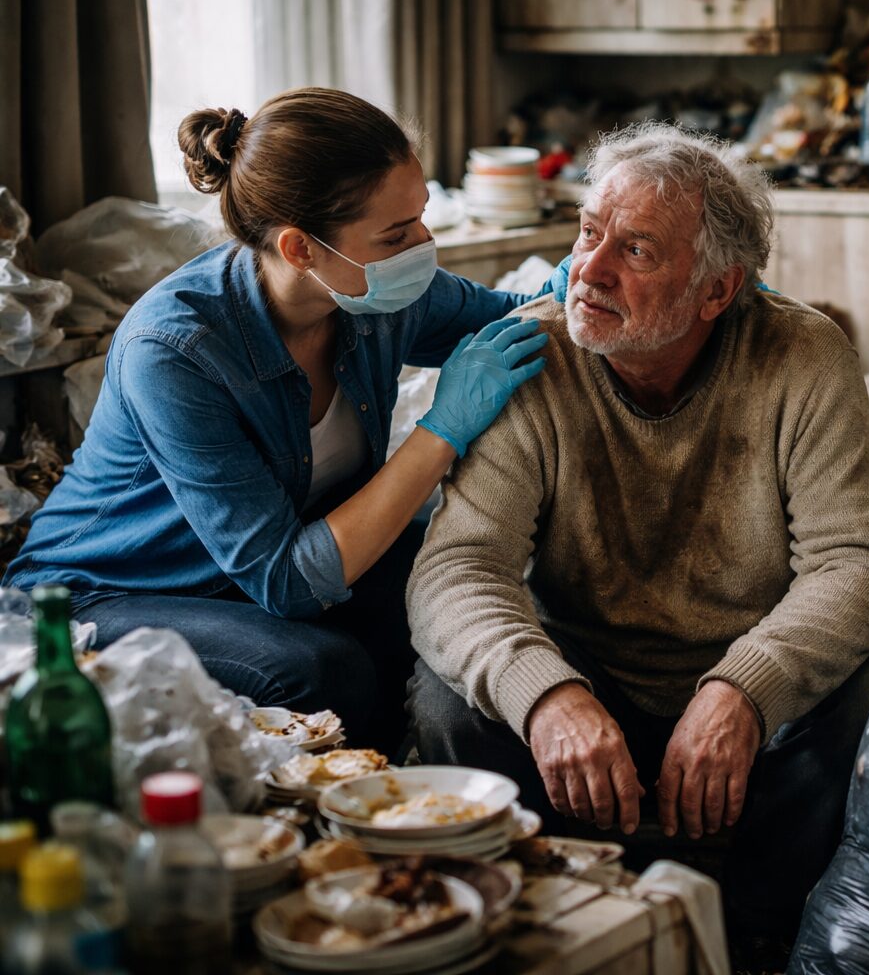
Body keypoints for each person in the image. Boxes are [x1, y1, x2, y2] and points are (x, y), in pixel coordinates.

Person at [406, 122, 869, 942]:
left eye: (636, 252)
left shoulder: (804, 355)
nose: (588, 271)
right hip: (588, 679)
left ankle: (754, 937)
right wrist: (547, 695)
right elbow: (456, 570)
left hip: (751, 693)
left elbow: (860, 565)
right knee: (447, 698)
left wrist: (743, 688)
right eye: (589, 231)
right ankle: (551, 926)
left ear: (717, 291)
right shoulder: (532, 355)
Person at [5, 88, 549, 751]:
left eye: (421, 217)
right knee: (320, 669)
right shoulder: (175, 351)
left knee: (452, 585)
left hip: (252, 572)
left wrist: (592, 274)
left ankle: (403, 809)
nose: (424, 245)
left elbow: (518, 314)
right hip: (107, 595)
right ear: (300, 249)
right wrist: (443, 429)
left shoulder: (380, 291)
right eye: (396, 233)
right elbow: (287, 581)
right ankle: (348, 823)